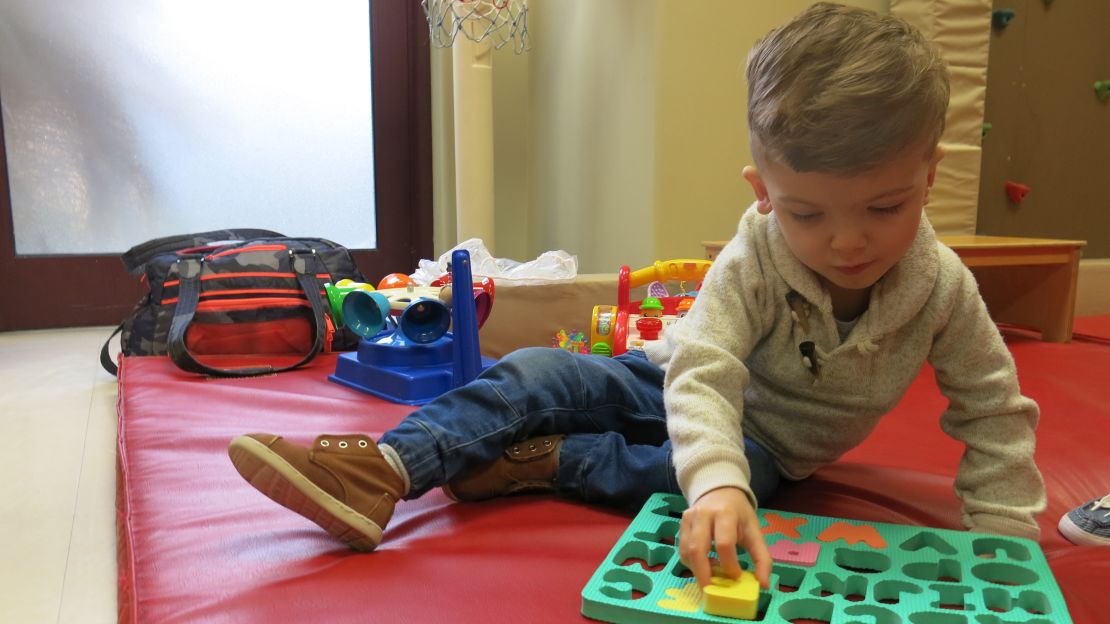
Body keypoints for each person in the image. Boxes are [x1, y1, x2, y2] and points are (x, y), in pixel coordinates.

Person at [228, 2, 1046, 592]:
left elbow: (993, 411)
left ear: (929, 176)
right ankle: (386, 469)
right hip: (673, 379)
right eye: (807, 213)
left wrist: (1008, 550)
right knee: (541, 370)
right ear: (763, 191)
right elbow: (706, 369)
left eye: (885, 208)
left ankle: (539, 462)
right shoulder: (756, 252)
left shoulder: (941, 290)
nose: (847, 242)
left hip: (773, 447)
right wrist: (713, 474)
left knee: (713, 481)